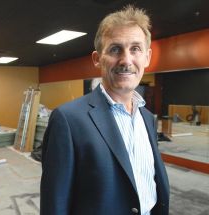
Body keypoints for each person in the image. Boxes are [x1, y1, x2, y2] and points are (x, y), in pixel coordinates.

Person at [40, 5, 169, 215]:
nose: (126, 60)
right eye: (115, 49)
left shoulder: (147, 118)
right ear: (97, 59)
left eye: (135, 48)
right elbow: (55, 202)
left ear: (147, 57)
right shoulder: (68, 119)